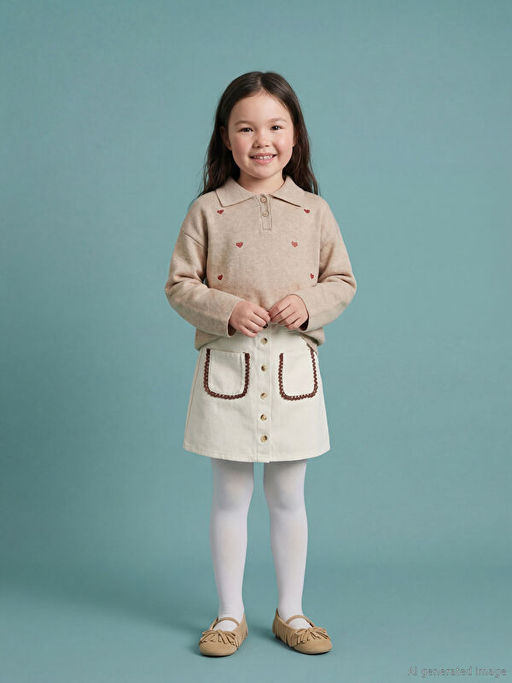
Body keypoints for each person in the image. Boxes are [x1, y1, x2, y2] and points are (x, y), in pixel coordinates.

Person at [164, 71, 357, 656]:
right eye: (246, 128)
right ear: (226, 137)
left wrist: (309, 304)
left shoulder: (315, 211)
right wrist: (225, 309)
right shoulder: (208, 210)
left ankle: (291, 612)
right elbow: (179, 284)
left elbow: (342, 281)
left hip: (292, 371)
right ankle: (229, 615)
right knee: (229, 498)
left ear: (295, 135)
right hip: (229, 370)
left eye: (276, 126)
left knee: (289, 497)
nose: (262, 140)